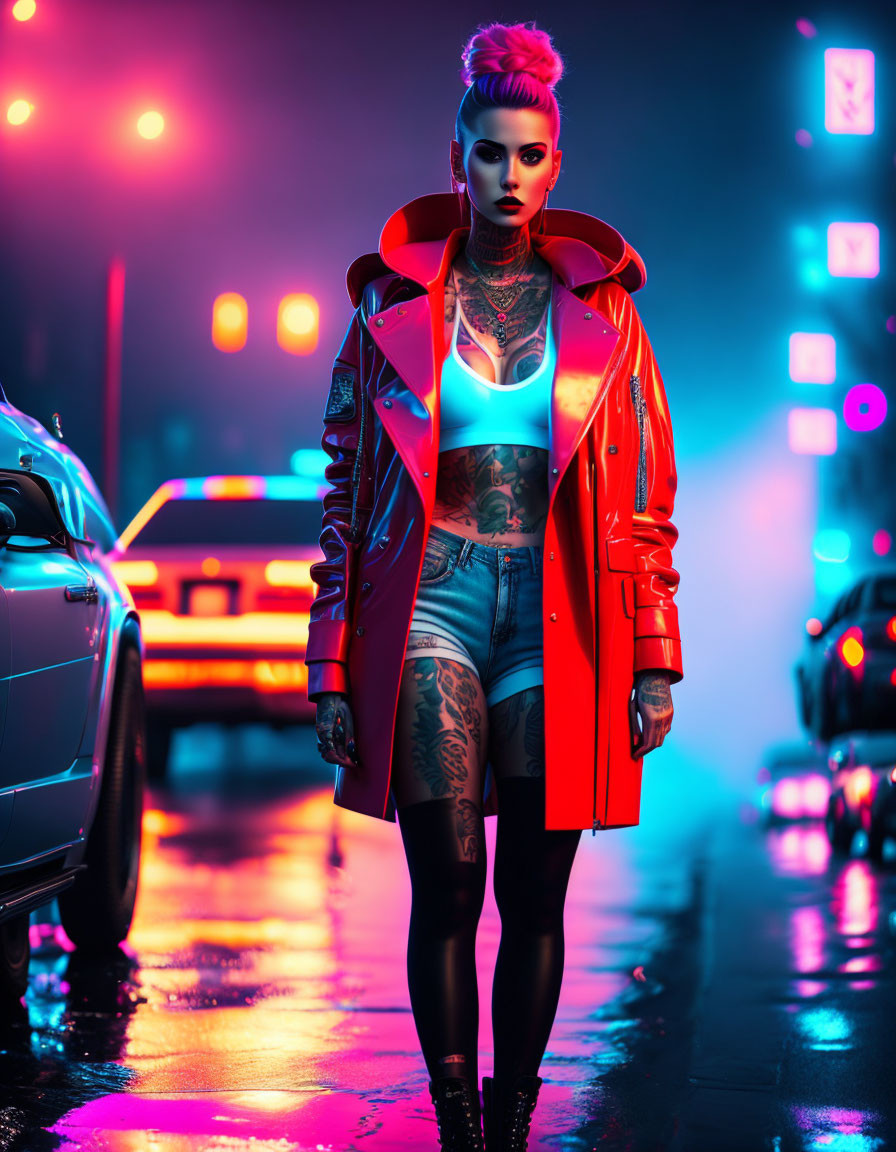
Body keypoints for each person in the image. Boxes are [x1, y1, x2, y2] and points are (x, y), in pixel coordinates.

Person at [306, 20, 683, 1151]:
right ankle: (458, 1127)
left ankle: (511, 1128)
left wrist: (655, 658)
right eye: (487, 154)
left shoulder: (608, 317)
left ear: (553, 165)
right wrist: (328, 660)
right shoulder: (388, 309)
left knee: (532, 890)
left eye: (527, 156)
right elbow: (341, 495)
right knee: (449, 877)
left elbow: (647, 499)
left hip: (556, 608)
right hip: (432, 599)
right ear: (454, 156)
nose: (507, 177)